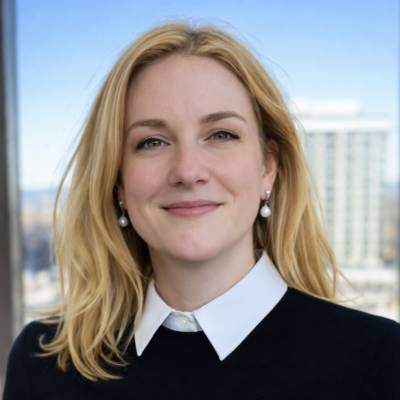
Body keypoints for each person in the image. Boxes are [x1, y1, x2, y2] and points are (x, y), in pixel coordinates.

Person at [3, 21, 400, 400]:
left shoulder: (381, 361)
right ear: (117, 181)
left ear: (268, 167)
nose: (188, 171)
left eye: (221, 134)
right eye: (151, 142)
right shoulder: (45, 363)